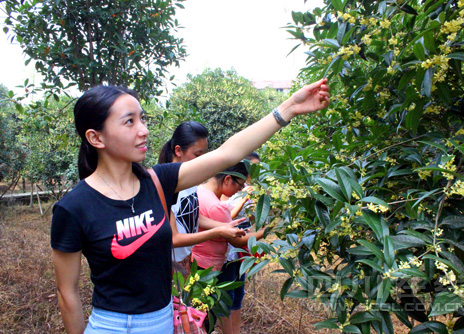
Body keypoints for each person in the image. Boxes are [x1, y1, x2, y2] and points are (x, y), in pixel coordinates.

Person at [51, 79, 329, 334]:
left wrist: (289, 108)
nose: (144, 131)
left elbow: (227, 154)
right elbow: (68, 294)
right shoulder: (74, 208)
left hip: (162, 319)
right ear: (95, 138)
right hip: (113, 325)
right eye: (129, 122)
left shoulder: (159, 181)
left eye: (143, 119)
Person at [158, 121, 246, 274]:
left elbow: (192, 215)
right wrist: (217, 232)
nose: (201, 160)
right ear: (178, 150)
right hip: (169, 264)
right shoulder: (164, 186)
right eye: (197, 155)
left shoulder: (190, 183)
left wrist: (222, 226)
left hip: (186, 259)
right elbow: (174, 239)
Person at [192, 161, 264, 334]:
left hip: (196, 263)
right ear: (227, 179)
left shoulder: (198, 191)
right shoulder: (217, 207)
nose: (239, 192)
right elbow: (237, 241)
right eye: (238, 187)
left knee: (196, 314)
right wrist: (264, 232)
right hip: (209, 268)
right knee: (205, 318)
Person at [219, 152, 261, 334]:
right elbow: (226, 216)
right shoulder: (229, 186)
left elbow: (248, 218)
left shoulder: (248, 187)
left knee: (238, 294)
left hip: (238, 252)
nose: (253, 172)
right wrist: (244, 197)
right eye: (251, 167)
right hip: (226, 251)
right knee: (226, 296)